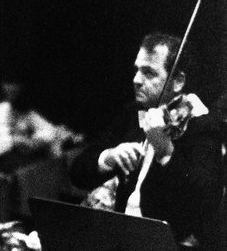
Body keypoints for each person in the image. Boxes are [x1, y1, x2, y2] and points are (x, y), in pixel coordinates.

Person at [69, 32, 223, 250]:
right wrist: (109, 157)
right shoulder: (133, 114)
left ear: (178, 81)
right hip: (119, 239)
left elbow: (205, 200)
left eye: (149, 73)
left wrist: (166, 150)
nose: (136, 80)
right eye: (137, 70)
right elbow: (77, 172)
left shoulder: (201, 125)